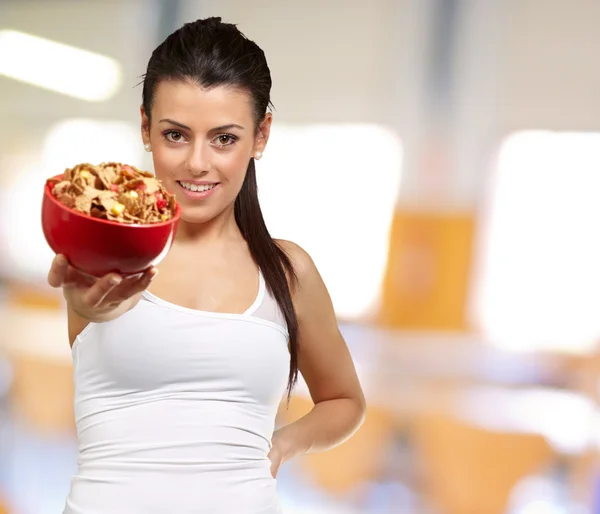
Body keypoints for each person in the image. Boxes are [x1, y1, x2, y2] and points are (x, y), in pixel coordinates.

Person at [47, 17, 365, 514]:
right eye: (175, 135)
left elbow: (345, 401)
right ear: (146, 128)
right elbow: (92, 309)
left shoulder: (286, 272)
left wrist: (283, 444)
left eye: (224, 138)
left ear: (260, 136)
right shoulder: (104, 256)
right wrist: (84, 301)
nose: (197, 163)